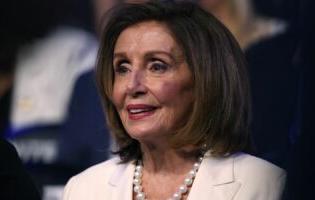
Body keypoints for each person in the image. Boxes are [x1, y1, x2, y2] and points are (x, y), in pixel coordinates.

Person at [63, 1, 285, 200]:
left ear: (205, 79)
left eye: (157, 66)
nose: (132, 85)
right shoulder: (83, 189)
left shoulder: (264, 184)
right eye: (122, 68)